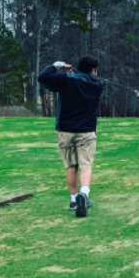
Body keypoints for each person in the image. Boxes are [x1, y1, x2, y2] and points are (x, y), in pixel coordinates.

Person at [38, 56, 103, 217]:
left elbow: (43, 77)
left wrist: (56, 65)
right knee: (86, 165)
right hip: (86, 131)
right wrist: (73, 75)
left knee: (71, 166)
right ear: (93, 70)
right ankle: (84, 195)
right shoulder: (97, 85)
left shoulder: (66, 79)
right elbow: (84, 81)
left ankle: (74, 200)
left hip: (65, 130)